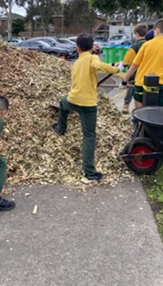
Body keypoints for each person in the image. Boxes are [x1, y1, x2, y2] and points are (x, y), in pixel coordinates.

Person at [52, 34, 121, 184]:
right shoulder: (92, 58)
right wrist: (116, 69)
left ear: (77, 48)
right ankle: (88, 173)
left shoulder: (76, 63)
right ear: (92, 47)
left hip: (73, 99)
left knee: (63, 102)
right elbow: (99, 66)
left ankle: (60, 128)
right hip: (88, 105)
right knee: (89, 135)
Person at [121, 18, 163, 108]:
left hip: (141, 83)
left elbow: (134, 65)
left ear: (157, 31)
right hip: (159, 85)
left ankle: (137, 121)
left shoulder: (146, 44)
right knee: (162, 111)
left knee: (139, 113)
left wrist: (124, 81)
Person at [117, 23, 148, 114]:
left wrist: (117, 66)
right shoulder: (150, 45)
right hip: (148, 74)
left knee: (131, 88)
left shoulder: (135, 47)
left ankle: (126, 106)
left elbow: (126, 62)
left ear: (136, 34)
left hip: (136, 74)